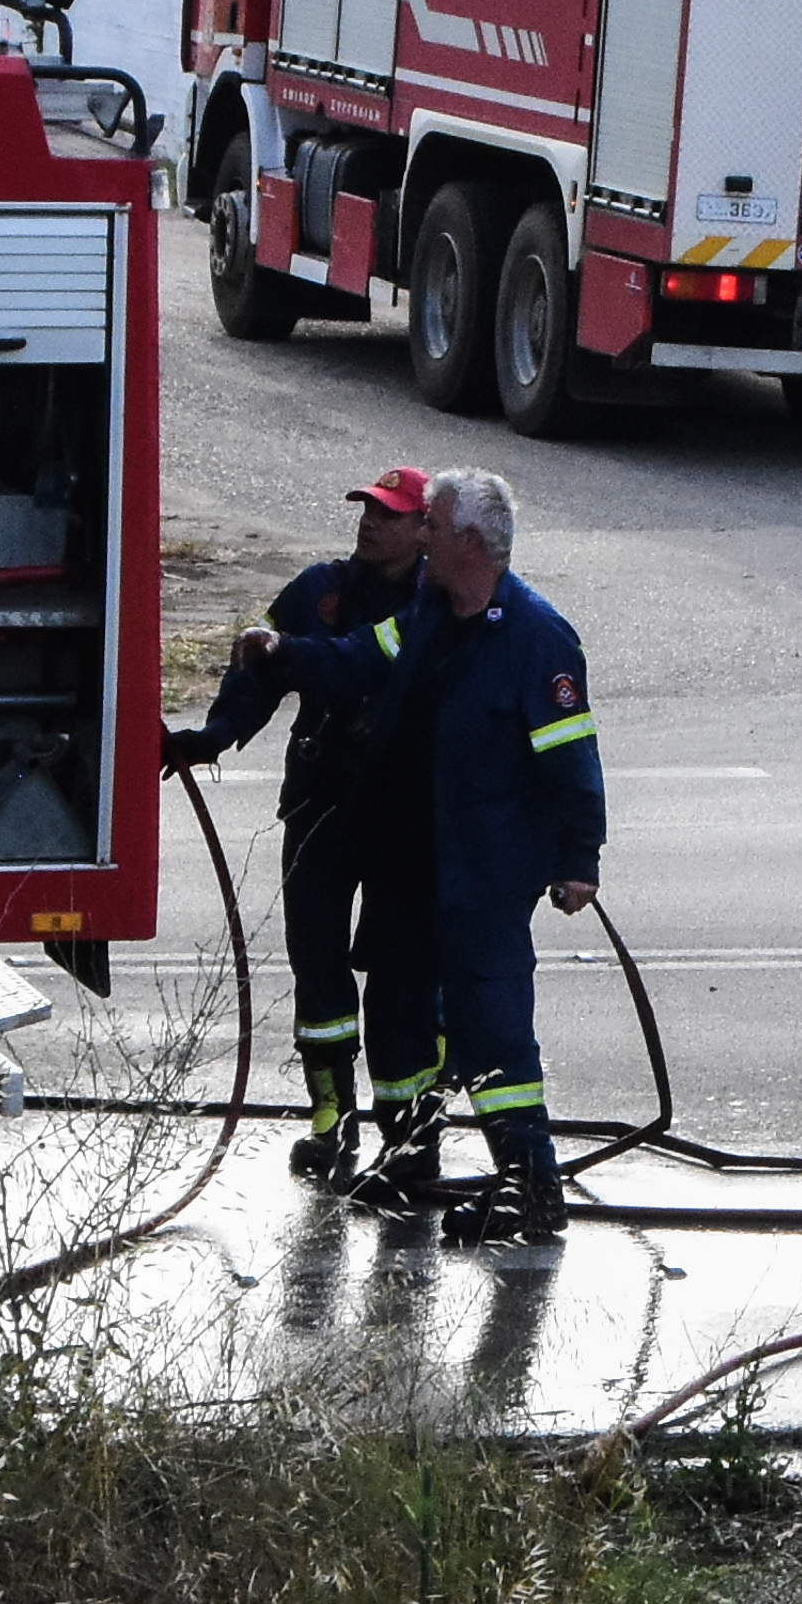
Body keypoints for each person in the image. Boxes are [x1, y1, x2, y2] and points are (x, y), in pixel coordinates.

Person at [237, 463, 606, 1244]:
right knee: (400, 1012)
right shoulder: (432, 612)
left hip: (486, 872)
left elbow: (573, 761)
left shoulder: (537, 637)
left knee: (490, 1028)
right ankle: (408, 1159)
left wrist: (578, 858)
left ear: (468, 539)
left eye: (430, 526)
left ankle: (531, 1189)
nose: (419, 538)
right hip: (415, 859)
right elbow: (360, 659)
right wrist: (284, 652)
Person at [169, 465, 435, 1185]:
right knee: (316, 968)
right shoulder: (319, 591)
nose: (370, 522)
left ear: (424, 528)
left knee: (405, 981)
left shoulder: (440, 606)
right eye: (366, 509)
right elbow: (257, 673)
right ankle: (331, 1118)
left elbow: (349, 668)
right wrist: (213, 734)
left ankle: (411, 1137)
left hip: (408, 822)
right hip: (321, 807)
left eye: (388, 513)